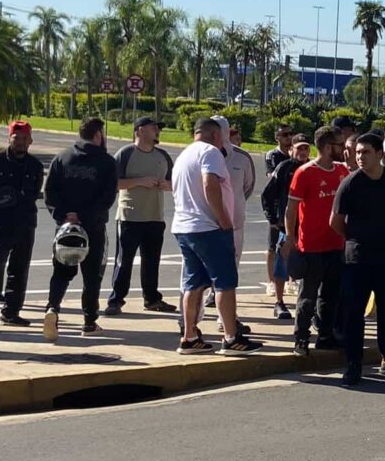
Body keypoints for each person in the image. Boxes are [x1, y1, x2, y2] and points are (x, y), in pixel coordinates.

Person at [331, 133, 385, 385]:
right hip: (358, 260)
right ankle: (353, 364)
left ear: (380, 154)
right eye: (357, 152)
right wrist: (357, 238)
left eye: (365, 152)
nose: (360, 157)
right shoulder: (351, 183)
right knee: (354, 314)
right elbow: (335, 222)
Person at [171, 117, 258, 354]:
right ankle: (231, 338)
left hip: (185, 226)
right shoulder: (210, 152)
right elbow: (210, 184)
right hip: (209, 227)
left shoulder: (184, 155)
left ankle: (189, 336)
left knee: (194, 283)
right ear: (217, 135)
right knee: (225, 283)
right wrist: (224, 220)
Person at [42, 117, 119, 340]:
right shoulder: (106, 162)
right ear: (97, 135)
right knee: (92, 275)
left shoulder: (62, 158)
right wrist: (85, 216)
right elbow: (107, 197)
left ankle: (52, 309)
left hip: (65, 227)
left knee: (61, 272)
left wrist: (65, 215)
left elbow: (49, 192)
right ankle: (89, 321)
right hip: (93, 227)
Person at [0, 121, 44, 333]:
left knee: (19, 270)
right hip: (2, 225)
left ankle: (11, 312)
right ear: (10, 139)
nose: (20, 142)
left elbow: (34, 193)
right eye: (17, 138)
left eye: (24, 139)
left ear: (30, 140)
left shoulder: (35, 165)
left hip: (25, 224)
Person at [284, 126, 349, 355]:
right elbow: (291, 210)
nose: (343, 149)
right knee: (308, 296)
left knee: (331, 296)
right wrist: (290, 240)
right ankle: (301, 338)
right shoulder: (305, 172)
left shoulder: (342, 170)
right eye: (340, 145)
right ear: (328, 147)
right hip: (311, 247)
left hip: (336, 245)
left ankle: (326, 335)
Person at [105, 116, 175, 317]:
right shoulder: (126, 154)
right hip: (130, 217)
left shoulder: (163, 156)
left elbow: (174, 183)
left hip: (155, 216)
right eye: (154, 127)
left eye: (158, 128)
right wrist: (139, 181)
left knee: (152, 261)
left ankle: (152, 299)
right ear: (140, 130)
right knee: (124, 261)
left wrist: (165, 185)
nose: (157, 131)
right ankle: (116, 300)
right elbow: (113, 183)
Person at [262, 136, 311, 319]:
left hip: (307, 226)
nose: (303, 152)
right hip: (286, 225)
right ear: (291, 149)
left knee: (308, 266)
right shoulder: (284, 168)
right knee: (281, 261)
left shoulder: (311, 169)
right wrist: (273, 218)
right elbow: (268, 194)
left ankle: (306, 303)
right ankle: (279, 302)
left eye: (306, 149)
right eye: (299, 148)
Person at [210, 116, 256, 309]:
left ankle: (225, 302)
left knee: (231, 264)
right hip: (208, 221)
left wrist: (233, 204)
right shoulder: (202, 155)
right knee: (207, 263)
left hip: (234, 222)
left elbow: (248, 186)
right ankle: (211, 293)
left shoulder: (242, 157)